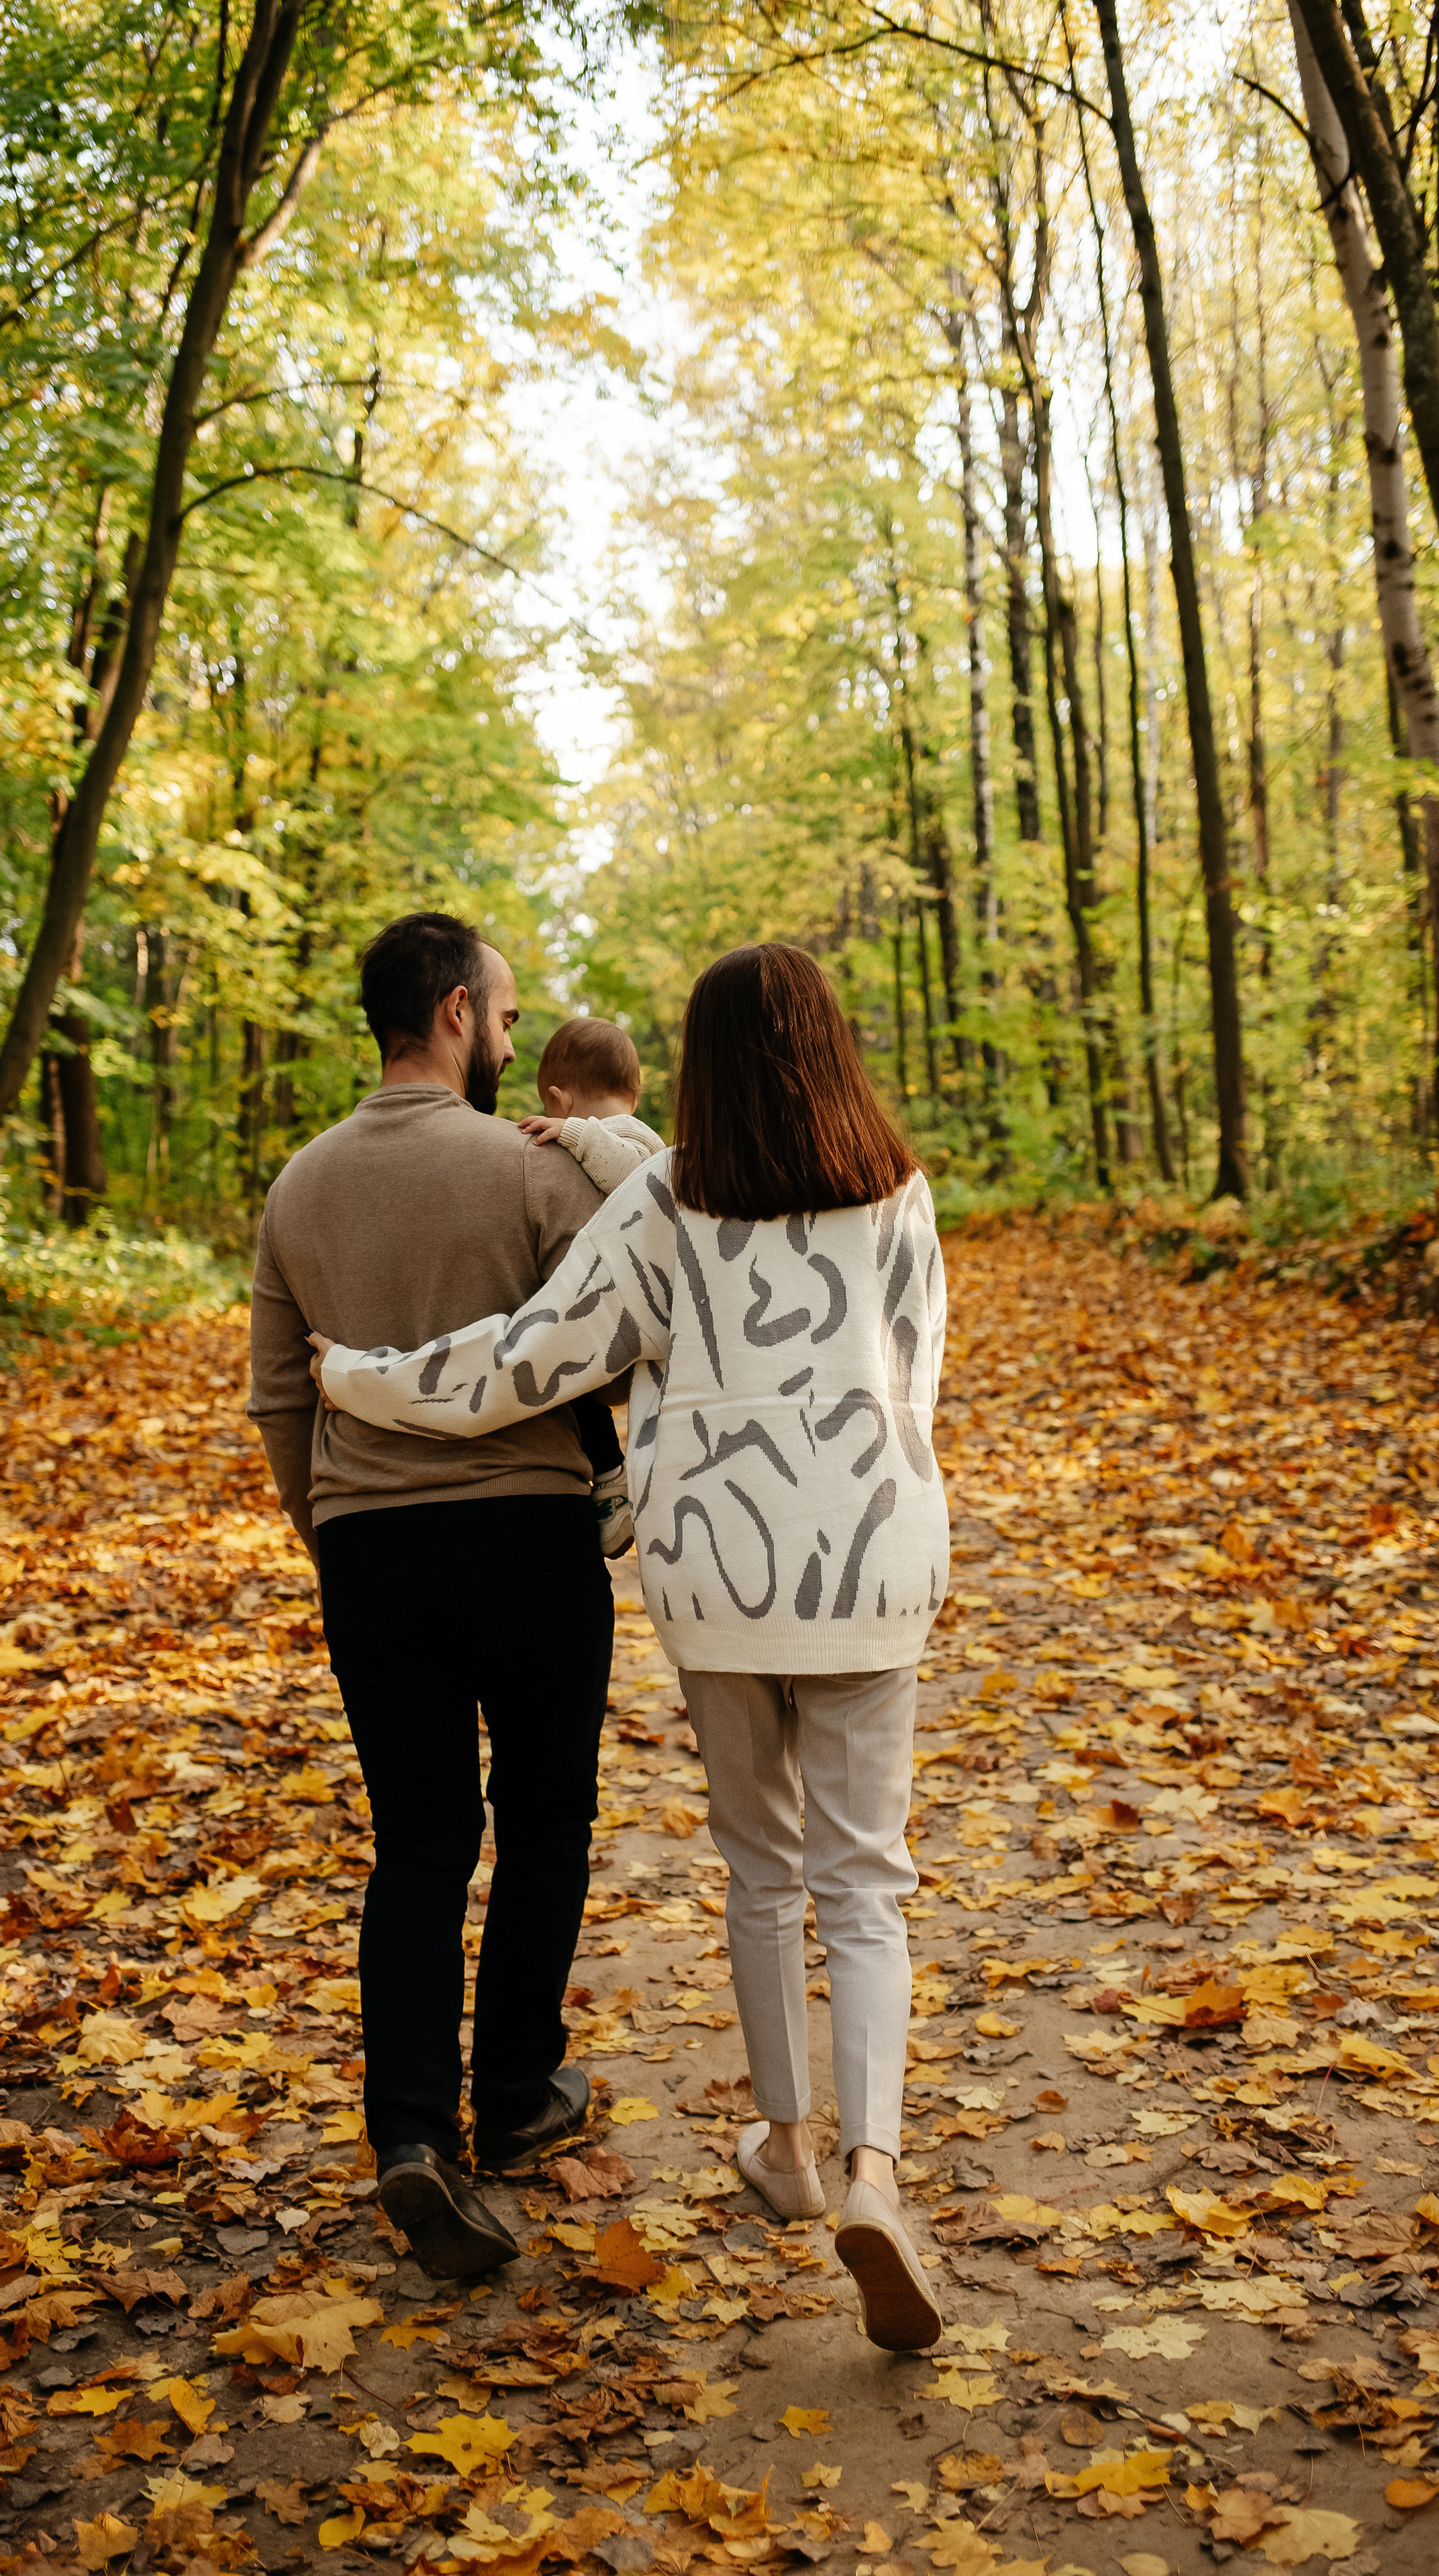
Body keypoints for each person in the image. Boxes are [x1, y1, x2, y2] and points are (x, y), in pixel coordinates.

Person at [307, 942, 950, 2353]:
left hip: (720, 1572)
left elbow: (529, 1359)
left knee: (761, 1865)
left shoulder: (664, 1202)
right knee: (867, 1881)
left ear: (698, 1061)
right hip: (872, 1560)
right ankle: (872, 2177)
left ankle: (784, 2139)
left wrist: (355, 1376)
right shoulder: (897, 1195)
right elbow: (915, 1378)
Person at [248, 911, 617, 2281]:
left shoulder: (297, 1185)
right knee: (544, 1814)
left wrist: (328, 1521)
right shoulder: (530, 1174)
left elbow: (279, 1392)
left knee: (416, 1837)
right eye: (509, 1019)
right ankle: (515, 2094)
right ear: (457, 1010)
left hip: (369, 1551)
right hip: (523, 1531)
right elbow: (615, 1341)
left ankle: (409, 2128)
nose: (515, 1047)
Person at [516, 1016, 665, 1557]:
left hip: (637, 1300)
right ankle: (617, 1482)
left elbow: (629, 1177)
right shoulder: (631, 1134)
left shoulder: (631, 1138)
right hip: (640, 1295)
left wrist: (577, 1133)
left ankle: (614, 1484)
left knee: (574, 1382)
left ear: (560, 1099)